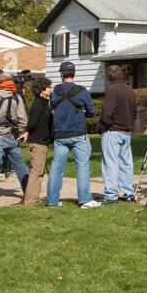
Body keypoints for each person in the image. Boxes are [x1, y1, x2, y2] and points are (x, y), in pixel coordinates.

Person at [46, 61, 99, 207]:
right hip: (78, 132)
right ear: (74, 73)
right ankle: (85, 199)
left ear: (61, 74)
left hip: (60, 134)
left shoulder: (55, 91)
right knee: (82, 166)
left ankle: (52, 200)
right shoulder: (82, 91)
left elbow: (53, 106)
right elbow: (91, 112)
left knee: (56, 167)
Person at [0, 74, 28, 203]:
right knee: (20, 166)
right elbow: (22, 119)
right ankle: (29, 192)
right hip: (12, 136)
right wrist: (20, 131)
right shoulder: (17, 97)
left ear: (0, 83)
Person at [100, 63, 137, 203]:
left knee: (110, 163)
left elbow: (107, 113)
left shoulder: (112, 90)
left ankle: (111, 194)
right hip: (126, 131)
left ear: (109, 76)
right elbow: (134, 112)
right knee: (126, 163)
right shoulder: (130, 90)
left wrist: (104, 125)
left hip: (112, 130)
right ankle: (128, 193)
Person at [23, 77, 53, 206]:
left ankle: (35, 197)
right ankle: (31, 200)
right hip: (38, 141)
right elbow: (33, 123)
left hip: (42, 140)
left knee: (38, 170)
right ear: (42, 89)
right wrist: (27, 131)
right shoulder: (39, 104)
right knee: (37, 171)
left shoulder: (44, 103)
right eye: (48, 87)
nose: (50, 89)